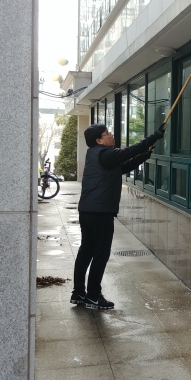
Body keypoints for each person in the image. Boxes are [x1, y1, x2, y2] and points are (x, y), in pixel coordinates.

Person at [71, 124, 164, 309]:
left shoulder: (95, 155)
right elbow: (128, 152)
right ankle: (93, 296)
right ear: (99, 140)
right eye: (107, 134)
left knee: (86, 251)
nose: (111, 136)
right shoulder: (105, 154)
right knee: (100, 254)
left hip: (88, 211)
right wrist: (154, 136)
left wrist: (144, 155)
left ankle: (79, 293)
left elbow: (122, 167)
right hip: (100, 213)